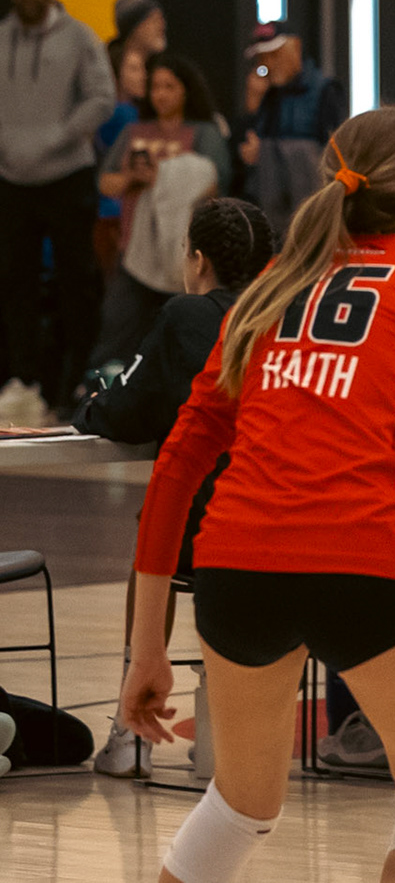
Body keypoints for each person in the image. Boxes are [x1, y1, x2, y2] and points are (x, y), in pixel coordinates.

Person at [116, 106, 395, 883]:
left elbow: (178, 462)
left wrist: (146, 646)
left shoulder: (271, 285)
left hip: (236, 568)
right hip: (368, 560)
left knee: (238, 806)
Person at [74, 197, 275, 780]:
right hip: (291, 518)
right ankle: (231, 734)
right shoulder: (291, 313)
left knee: (154, 545)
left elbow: (126, 410)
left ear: (198, 259)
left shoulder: (187, 316)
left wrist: (92, 407)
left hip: (207, 521)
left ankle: (129, 730)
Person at [0, 0, 116, 413]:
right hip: (11, 179)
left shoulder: (80, 37)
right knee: (15, 282)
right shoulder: (2, 37)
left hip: (68, 175)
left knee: (76, 283)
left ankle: (76, 379)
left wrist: (58, 136)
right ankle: (22, 379)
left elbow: (102, 98)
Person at [94, 53, 232, 370]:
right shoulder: (134, 132)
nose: (161, 94)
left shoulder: (204, 133)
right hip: (134, 249)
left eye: (169, 86)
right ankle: (105, 388)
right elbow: (105, 182)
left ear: (186, 90)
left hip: (187, 254)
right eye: (155, 86)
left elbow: (216, 180)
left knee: (185, 336)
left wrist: (165, 177)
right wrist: (132, 178)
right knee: (119, 331)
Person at [232, 21, 346, 237]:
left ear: (295, 48)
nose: (268, 64)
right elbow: (242, 153)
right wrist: (252, 109)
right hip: (271, 211)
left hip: (311, 209)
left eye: (274, 55)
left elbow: (335, 152)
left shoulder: (325, 90)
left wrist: (268, 150)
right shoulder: (265, 93)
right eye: (262, 58)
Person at [95, 39, 148, 276]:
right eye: (134, 68)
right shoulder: (123, 114)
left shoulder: (104, 112)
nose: (143, 75)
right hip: (115, 214)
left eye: (143, 68)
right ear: (114, 73)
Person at [107, 0, 167, 71]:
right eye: (154, 21)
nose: (162, 26)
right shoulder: (105, 67)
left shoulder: (159, 69)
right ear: (134, 28)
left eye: (161, 20)